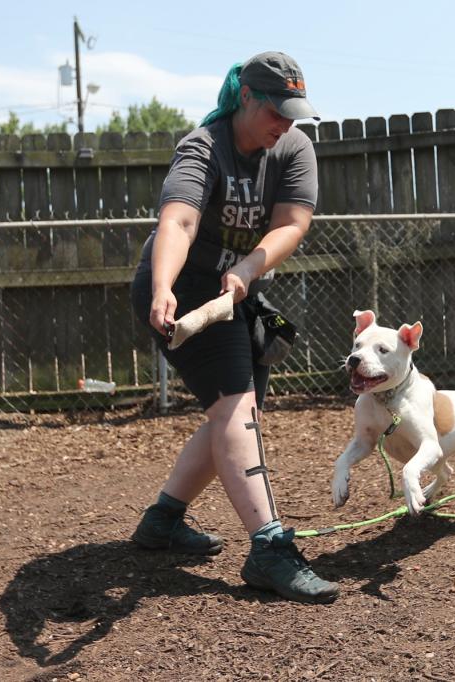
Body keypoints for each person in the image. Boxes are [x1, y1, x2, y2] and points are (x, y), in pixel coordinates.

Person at [129, 51, 338, 604]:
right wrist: (162, 286)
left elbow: (293, 223)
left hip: (239, 290)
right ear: (247, 98)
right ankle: (269, 548)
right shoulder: (204, 147)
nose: (287, 124)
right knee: (235, 408)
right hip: (187, 293)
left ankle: (163, 521)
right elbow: (178, 218)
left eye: (295, 114)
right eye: (278, 111)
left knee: (235, 412)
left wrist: (248, 269)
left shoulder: (294, 148)